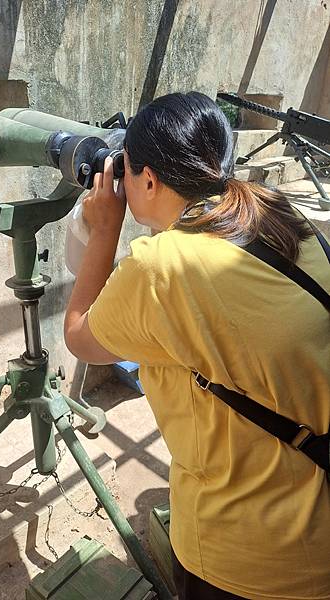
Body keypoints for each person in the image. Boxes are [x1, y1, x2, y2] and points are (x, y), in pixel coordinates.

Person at [63, 91, 330, 600]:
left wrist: (104, 229)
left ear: (146, 179)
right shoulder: (278, 213)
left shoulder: (161, 267)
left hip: (248, 561)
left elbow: (79, 337)